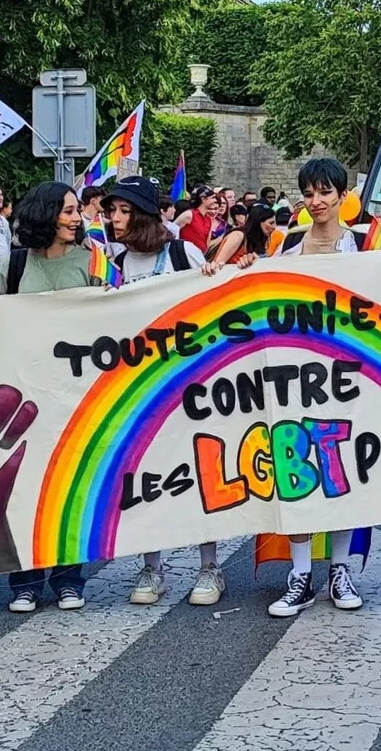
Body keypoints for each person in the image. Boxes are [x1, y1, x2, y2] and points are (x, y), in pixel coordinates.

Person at [266, 158, 381, 619]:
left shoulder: (370, 242)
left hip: (351, 377)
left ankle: (339, 569)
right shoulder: (284, 245)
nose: (316, 201)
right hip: (293, 376)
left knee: (343, 471)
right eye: (309, 193)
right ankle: (300, 573)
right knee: (295, 468)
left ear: (344, 195)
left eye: (325, 192)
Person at [105, 176, 237, 605]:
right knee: (144, 475)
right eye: (112, 211)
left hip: (190, 386)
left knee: (202, 472)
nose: (114, 219)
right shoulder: (117, 261)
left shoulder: (182, 252)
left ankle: (209, 567)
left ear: (142, 214)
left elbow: (213, 312)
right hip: (140, 388)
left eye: (123, 211)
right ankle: (152, 567)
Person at [0, 182, 101, 611]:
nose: (77, 218)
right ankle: (24, 580)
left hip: (77, 392)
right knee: (22, 486)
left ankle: (68, 578)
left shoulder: (94, 257)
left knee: (70, 484)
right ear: (45, 215)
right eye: (69, 210)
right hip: (25, 391)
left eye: (77, 211)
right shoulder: (16, 262)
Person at [210, 203, 276, 265]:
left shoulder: (261, 240)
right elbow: (217, 265)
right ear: (258, 222)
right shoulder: (237, 236)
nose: (274, 227)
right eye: (271, 223)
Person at [174, 184, 221, 254]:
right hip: (186, 255)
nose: (215, 200)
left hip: (200, 257)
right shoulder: (189, 215)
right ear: (203, 199)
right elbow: (171, 230)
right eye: (212, 198)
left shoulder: (208, 219)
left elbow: (206, 243)